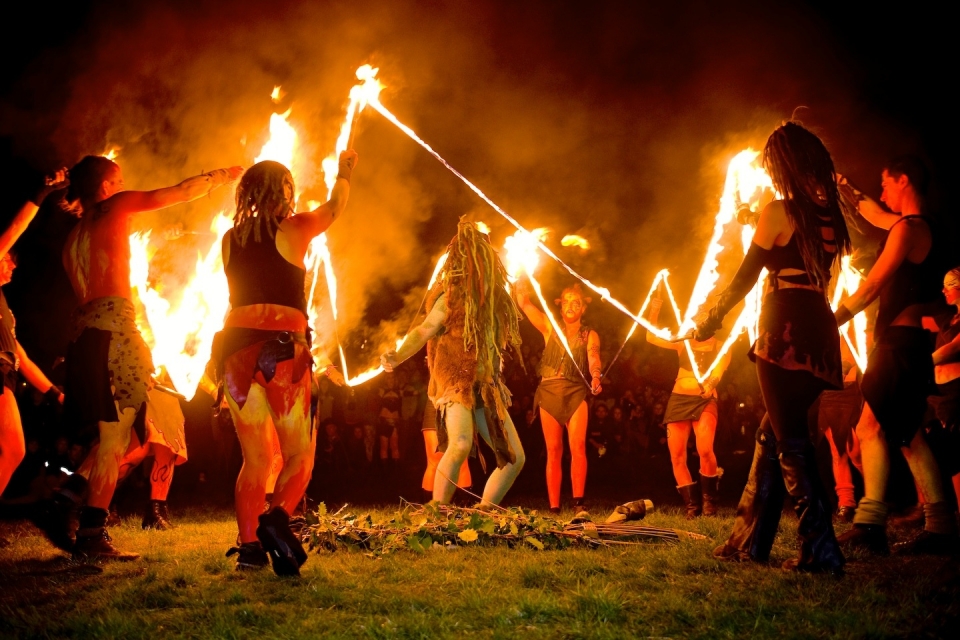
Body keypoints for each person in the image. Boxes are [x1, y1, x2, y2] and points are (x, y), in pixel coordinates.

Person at [40, 155, 241, 560]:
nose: (123, 184)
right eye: (119, 178)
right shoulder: (115, 205)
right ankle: (89, 528)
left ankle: (70, 496)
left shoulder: (72, 239)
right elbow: (181, 192)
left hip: (82, 337)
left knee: (127, 434)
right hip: (114, 329)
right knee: (119, 436)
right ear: (105, 185)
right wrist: (223, 176)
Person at [696, 122, 849, 573]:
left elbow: (745, 277)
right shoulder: (828, 218)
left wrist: (710, 318)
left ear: (783, 165)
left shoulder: (778, 210)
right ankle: (749, 541)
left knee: (791, 444)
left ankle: (821, 549)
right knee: (772, 434)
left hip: (783, 330)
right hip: (819, 328)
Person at [215, 151, 356, 575]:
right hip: (282, 349)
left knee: (255, 459)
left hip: (235, 351)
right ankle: (276, 522)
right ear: (285, 192)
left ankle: (249, 550)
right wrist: (345, 170)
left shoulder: (229, 239)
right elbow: (335, 207)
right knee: (299, 455)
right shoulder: (295, 228)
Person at [835, 156, 958, 554]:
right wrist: (843, 184)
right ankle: (927, 524)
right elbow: (875, 213)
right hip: (907, 345)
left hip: (899, 346)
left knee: (885, 431)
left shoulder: (908, 231)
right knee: (897, 432)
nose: (883, 193)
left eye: (886, 184)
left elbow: (872, 285)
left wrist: (831, 320)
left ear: (903, 180)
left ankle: (878, 525)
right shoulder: (926, 228)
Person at [381, 220, 524, 506]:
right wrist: (397, 355)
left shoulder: (496, 300)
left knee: (514, 458)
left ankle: (484, 513)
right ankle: (437, 511)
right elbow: (424, 330)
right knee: (460, 444)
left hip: (485, 386)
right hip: (456, 382)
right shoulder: (450, 298)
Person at [1, 171, 68, 500]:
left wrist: (56, 393)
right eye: (7, 260)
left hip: (6, 371)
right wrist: (41, 191)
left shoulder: (4, 312)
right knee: (13, 450)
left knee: (11, 451)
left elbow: (21, 358)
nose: (12, 266)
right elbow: (13, 231)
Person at [515, 282, 601, 512]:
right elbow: (524, 304)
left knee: (578, 445)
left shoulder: (589, 334)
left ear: (583, 308)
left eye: (576, 303)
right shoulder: (550, 327)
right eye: (567, 302)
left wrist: (595, 376)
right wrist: (519, 281)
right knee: (553, 449)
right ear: (560, 306)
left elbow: (594, 358)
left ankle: (578, 503)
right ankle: (554, 506)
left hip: (575, 391)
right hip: (549, 390)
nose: (571, 306)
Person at [647, 292, 730, 518]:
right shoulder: (683, 343)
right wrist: (654, 310)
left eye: (705, 313)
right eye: (697, 313)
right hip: (679, 400)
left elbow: (719, 371)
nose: (700, 316)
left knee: (705, 449)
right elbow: (651, 336)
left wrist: (709, 383)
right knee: (677, 456)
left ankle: (710, 504)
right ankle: (692, 506)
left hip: (705, 401)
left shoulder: (722, 345)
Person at [923, 267, 960, 528]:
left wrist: (921, 364)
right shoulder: (951, 317)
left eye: (950, 285)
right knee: (943, 454)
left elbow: (955, 347)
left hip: (956, 392)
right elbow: (923, 321)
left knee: (957, 454)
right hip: (939, 394)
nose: (943, 289)